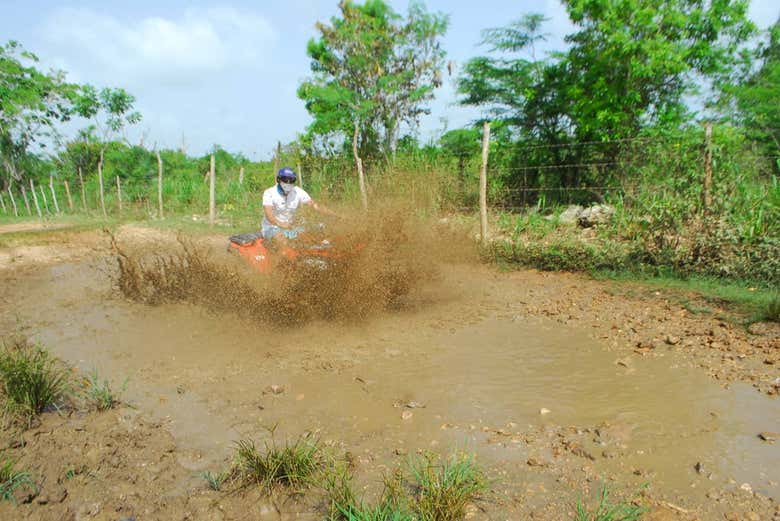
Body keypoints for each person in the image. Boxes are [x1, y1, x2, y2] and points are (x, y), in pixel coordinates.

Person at [262, 167, 335, 246]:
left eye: (291, 180)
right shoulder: (269, 193)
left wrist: (334, 214)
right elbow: (269, 215)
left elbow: (314, 205)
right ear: (279, 179)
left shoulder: (297, 191)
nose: (288, 182)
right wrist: (281, 224)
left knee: (320, 229)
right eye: (285, 179)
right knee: (282, 241)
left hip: (291, 228)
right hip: (272, 228)